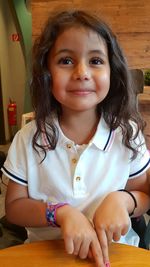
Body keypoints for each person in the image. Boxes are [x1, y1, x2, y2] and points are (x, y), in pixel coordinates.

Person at [1, 10, 150, 267]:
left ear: (111, 71)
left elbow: (144, 193)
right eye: (66, 61)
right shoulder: (28, 138)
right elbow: (14, 207)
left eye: (95, 61)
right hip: (44, 254)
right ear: (46, 73)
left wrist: (123, 199)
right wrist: (59, 213)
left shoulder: (128, 133)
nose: (82, 72)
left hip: (116, 254)